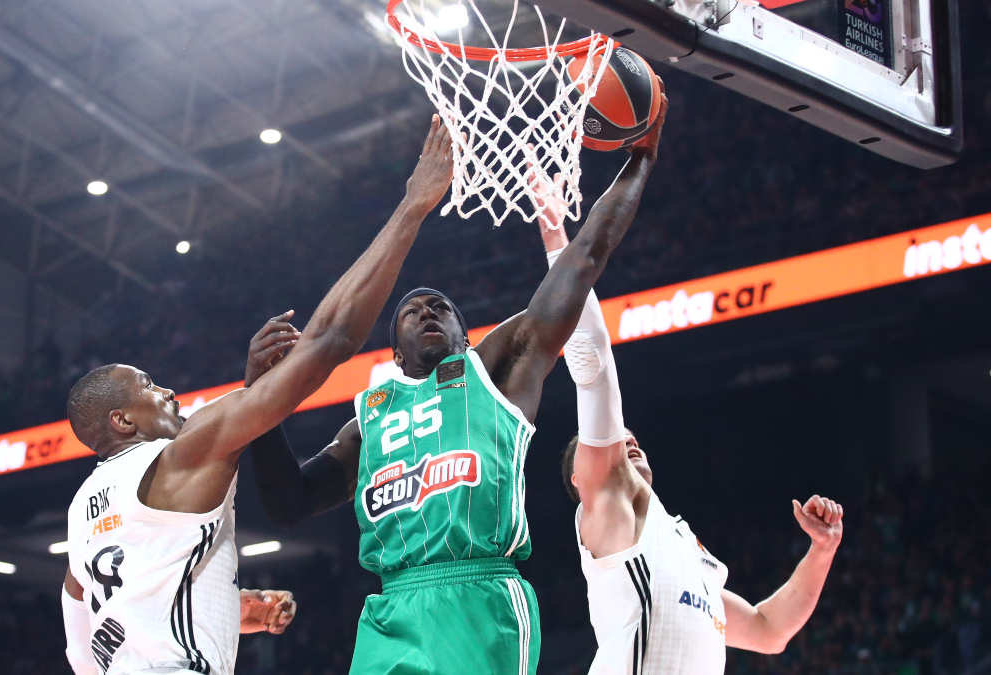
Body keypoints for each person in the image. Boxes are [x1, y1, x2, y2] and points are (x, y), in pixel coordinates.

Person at [242, 89, 668, 675]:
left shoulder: (496, 372)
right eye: (411, 310)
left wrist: (641, 159)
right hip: (390, 610)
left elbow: (586, 257)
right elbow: (287, 502)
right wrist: (259, 400)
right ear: (395, 351)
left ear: (466, 339)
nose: (427, 310)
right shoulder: (370, 417)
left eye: (441, 307)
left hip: (478, 598)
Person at [59, 115, 457, 675]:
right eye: (148, 386)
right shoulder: (183, 454)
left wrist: (225, 610)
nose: (167, 391)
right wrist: (413, 207)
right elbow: (331, 341)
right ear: (122, 421)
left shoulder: (83, 509)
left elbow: (80, 625)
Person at [535, 202, 844, 674]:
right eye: (614, 440)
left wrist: (822, 551)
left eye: (631, 437)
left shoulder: (686, 550)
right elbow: (594, 366)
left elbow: (769, 630)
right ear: (583, 477)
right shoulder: (610, 505)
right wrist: (557, 239)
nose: (627, 441)